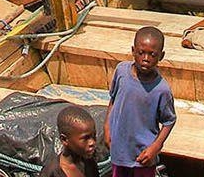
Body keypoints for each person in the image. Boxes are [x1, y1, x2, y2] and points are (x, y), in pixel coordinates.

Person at [107, 26, 174, 177]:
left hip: (143, 156)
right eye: (141, 52)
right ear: (133, 51)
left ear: (161, 56)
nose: (146, 58)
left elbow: (169, 121)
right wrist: (107, 127)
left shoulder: (161, 90)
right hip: (119, 151)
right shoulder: (121, 72)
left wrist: (155, 147)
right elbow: (113, 99)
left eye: (152, 54)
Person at [40, 105, 101, 177]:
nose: (92, 143)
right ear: (64, 140)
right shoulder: (51, 172)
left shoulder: (89, 163)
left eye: (93, 136)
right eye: (85, 138)